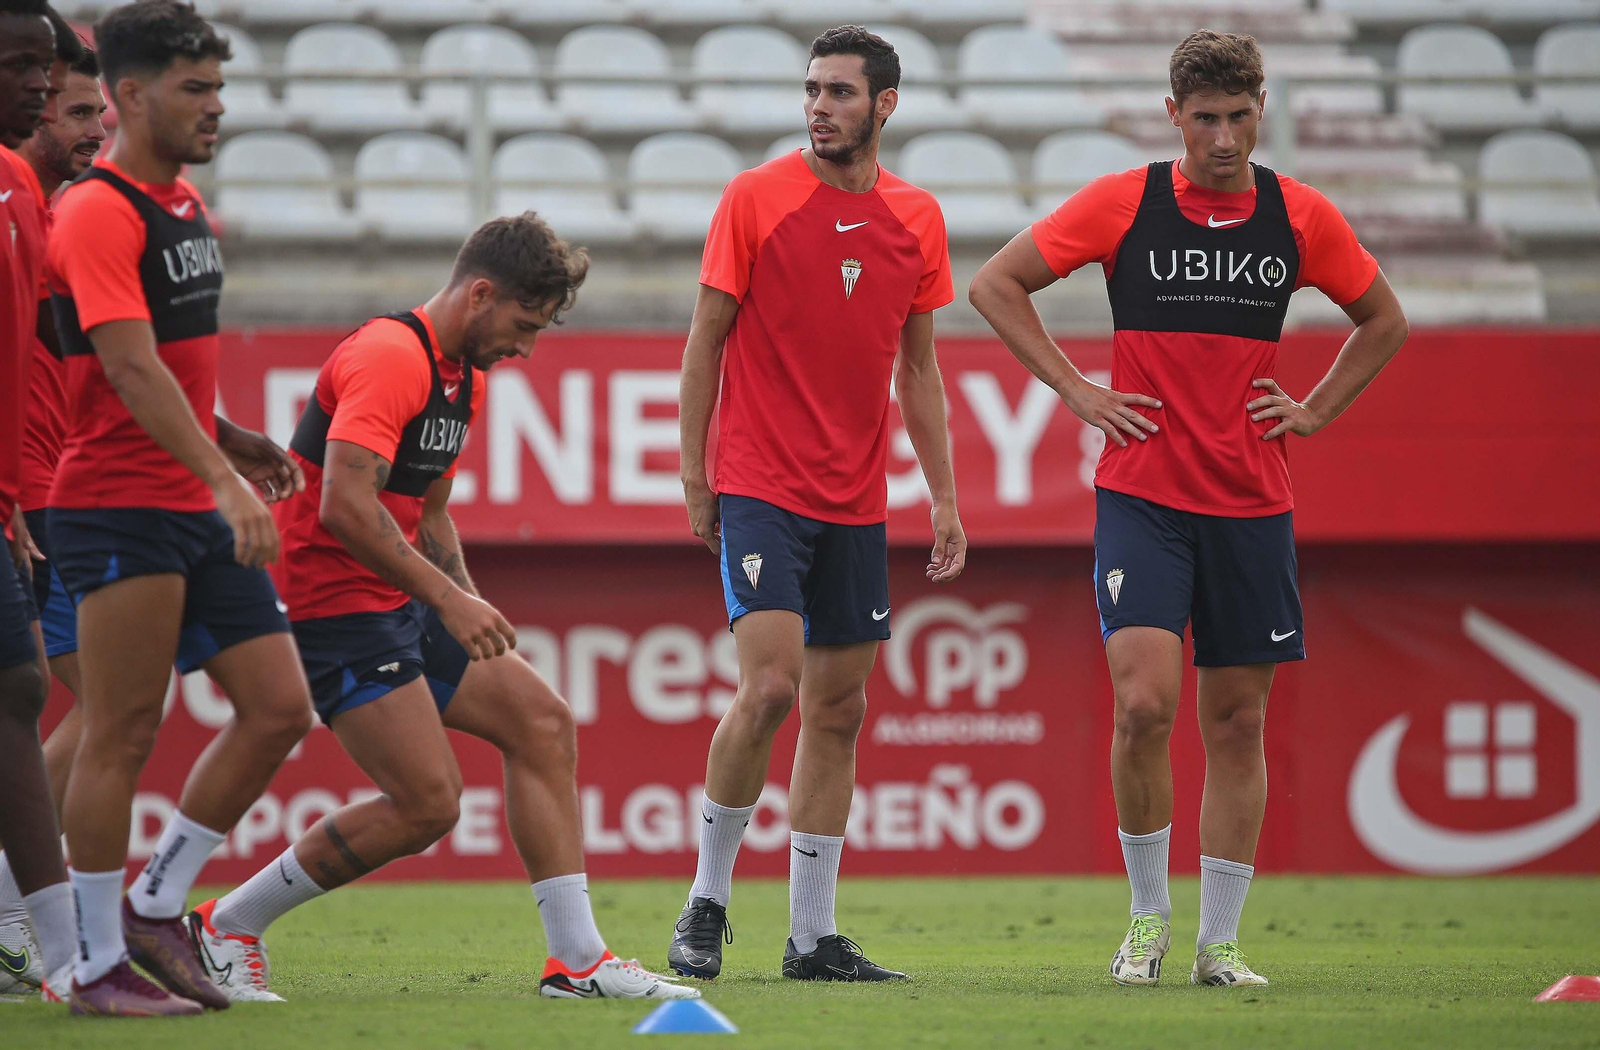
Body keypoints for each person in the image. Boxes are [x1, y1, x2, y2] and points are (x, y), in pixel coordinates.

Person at [968, 30, 1408, 988]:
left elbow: (1384, 319)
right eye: (1203, 118)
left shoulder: (1299, 215)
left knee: (1239, 722)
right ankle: (1146, 918)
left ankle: (1219, 942)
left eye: (1238, 117)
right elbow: (995, 284)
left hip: (1252, 503)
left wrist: (1316, 409)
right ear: (1173, 115)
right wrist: (1076, 390)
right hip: (1144, 497)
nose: (1221, 137)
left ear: (1261, 111)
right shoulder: (1126, 201)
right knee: (1142, 703)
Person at [187, 212, 698, 1005]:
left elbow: (428, 513)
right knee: (428, 804)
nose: (525, 347)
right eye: (523, 325)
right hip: (332, 604)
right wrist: (450, 600)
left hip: (392, 596)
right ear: (482, 293)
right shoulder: (391, 356)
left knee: (542, 720)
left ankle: (577, 963)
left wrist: (466, 591)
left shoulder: (468, 378)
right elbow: (345, 509)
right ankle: (221, 926)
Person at [668, 25, 965, 984]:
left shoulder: (918, 216)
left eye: (839, 93)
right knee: (769, 689)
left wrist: (945, 500)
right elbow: (704, 343)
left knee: (839, 711)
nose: (819, 108)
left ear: (884, 106)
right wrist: (694, 474)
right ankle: (706, 903)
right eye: (811, 91)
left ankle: (811, 937)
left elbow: (918, 371)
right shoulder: (755, 198)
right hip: (760, 484)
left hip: (857, 500)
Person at [47, 0, 314, 1017]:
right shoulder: (98, 209)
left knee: (280, 707)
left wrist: (231, 438)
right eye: (194, 88)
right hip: (117, 503)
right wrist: (219, 478)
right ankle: (93, 962)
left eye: (218, 86)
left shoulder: (185, 205)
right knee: (120, 729)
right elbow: (123, 365)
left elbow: (167, 364)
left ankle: (159, 901)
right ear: (127, 94)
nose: (215, 107)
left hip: (183, 489)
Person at [0, 43, 107, 997]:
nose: (90, 132)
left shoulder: (49, 207)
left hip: (45, 493)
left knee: (68, 694)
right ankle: (30, 924)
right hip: (40, 498)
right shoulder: (21, 196)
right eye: (75, 115)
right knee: (93, 695)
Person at [0, 0, 75, 1007]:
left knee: (26, 691)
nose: (40, 89)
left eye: (44, 69)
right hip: (40, 491)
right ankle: (63, 948)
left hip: (19, 492)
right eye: (19, 65)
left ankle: (54, 944)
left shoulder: (22, 186)